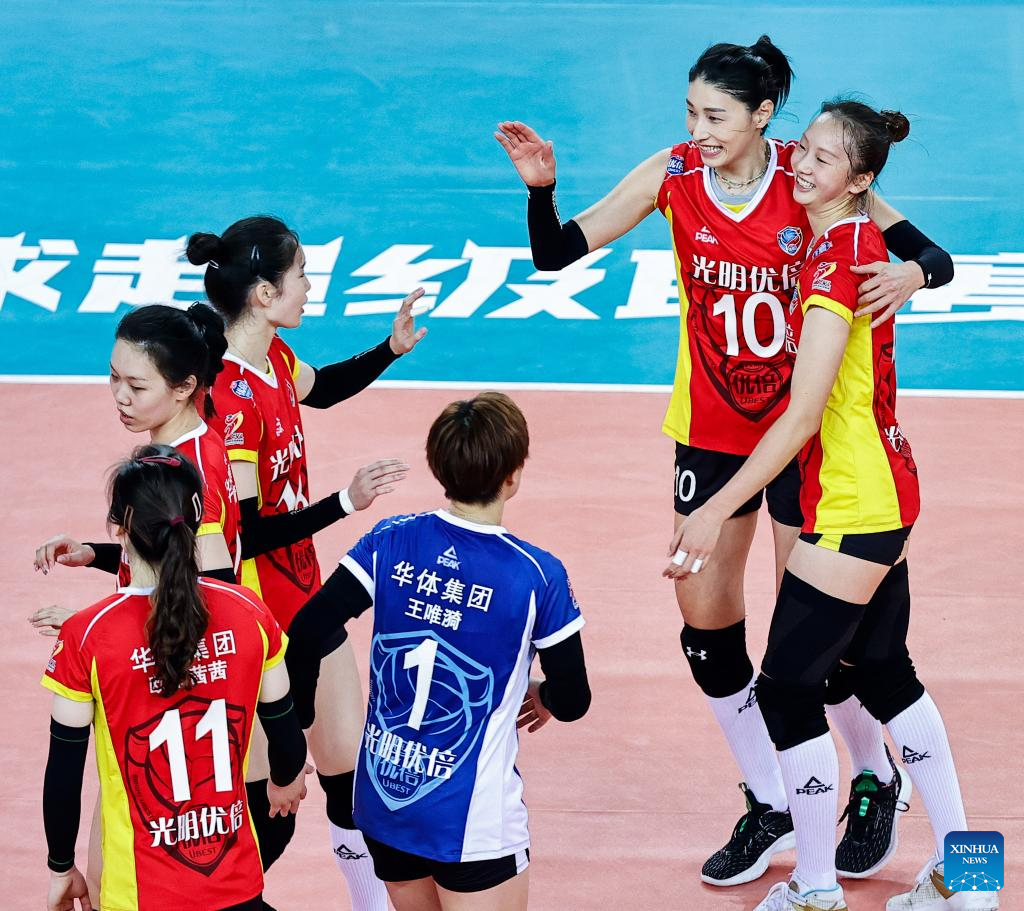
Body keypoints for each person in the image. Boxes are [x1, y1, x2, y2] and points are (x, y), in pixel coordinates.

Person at [496, 35, 953, 886]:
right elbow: (555, 252)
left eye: (716, 116)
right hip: (710, 431)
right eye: (690, 113)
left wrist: (915, 279)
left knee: (813, 645)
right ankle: (770, 797)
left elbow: (931, 255)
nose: (699, 131)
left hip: (800, 440)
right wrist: (541, 189)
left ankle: (871, 780)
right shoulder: (673, 174)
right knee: (707, 634)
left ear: (762, 115)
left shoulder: (807, 175)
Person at [669, 102, 993, 911]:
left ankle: (815, 888)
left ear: (861, 180)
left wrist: (715, 509)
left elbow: (802, 415)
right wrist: (918, 268)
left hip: (850, 499)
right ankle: (968, 877)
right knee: (885, 673)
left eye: (822, 158)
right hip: (879, 487)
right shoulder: (844, 241)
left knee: (787, 688)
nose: (801, 166)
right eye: (803, 151)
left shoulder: (834, 264)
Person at [185, 215, 423, 909]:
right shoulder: (230, 400)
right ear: (264, 293)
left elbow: (324, 387)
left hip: (308, 604)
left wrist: (390, 349)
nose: (311, 287)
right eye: (301, 276)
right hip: (258, 625)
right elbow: (249, 536)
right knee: (271, 817)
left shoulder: (277, 359)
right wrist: (344, 502)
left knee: (352, 788)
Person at [284, 392, 591, 911]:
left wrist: (297, 730)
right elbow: (574, 699)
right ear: (512, 476)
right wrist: (542, 693)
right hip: (472, 824)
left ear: (438, 468)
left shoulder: (390, 540)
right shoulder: (537, 575)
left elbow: (308, 629)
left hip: (384, 804)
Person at [41, 445, 309, 911]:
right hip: (236, 888)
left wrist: (61, 867)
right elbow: (286, 737)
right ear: (198, 517)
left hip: (140, 895)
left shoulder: (86, 635)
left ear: (120, 526)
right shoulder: (249, 612)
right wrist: (285, 779)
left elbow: (64, 773)